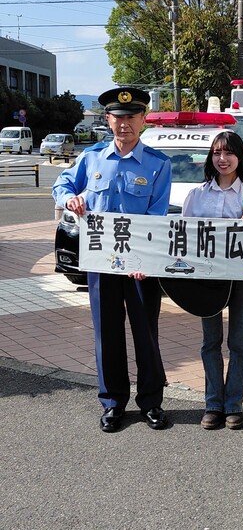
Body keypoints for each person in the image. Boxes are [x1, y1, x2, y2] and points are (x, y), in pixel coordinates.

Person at [52, 87, 172, 433]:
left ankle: (151, 402)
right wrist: (71, 197)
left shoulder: (157, 165)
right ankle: (113, 402)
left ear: (143, 120)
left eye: (131, 117)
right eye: (118, 118)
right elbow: (61, 185)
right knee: (107, 333)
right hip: (100, 262)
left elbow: (157, 217)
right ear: (108, 120)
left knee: (146, 333)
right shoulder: (91, 159)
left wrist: (143, 259)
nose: (124, 124)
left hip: (140, 266)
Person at [182, 130, 243, 430]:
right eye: (217, 153)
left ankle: (234, 404)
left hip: (242, 279)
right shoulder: (197, 196)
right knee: (210, 341)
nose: (223, 159)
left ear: (241, 157)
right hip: (206, 279)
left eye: (229, 152)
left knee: (238, 341)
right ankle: (213, 404)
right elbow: (186, 239)